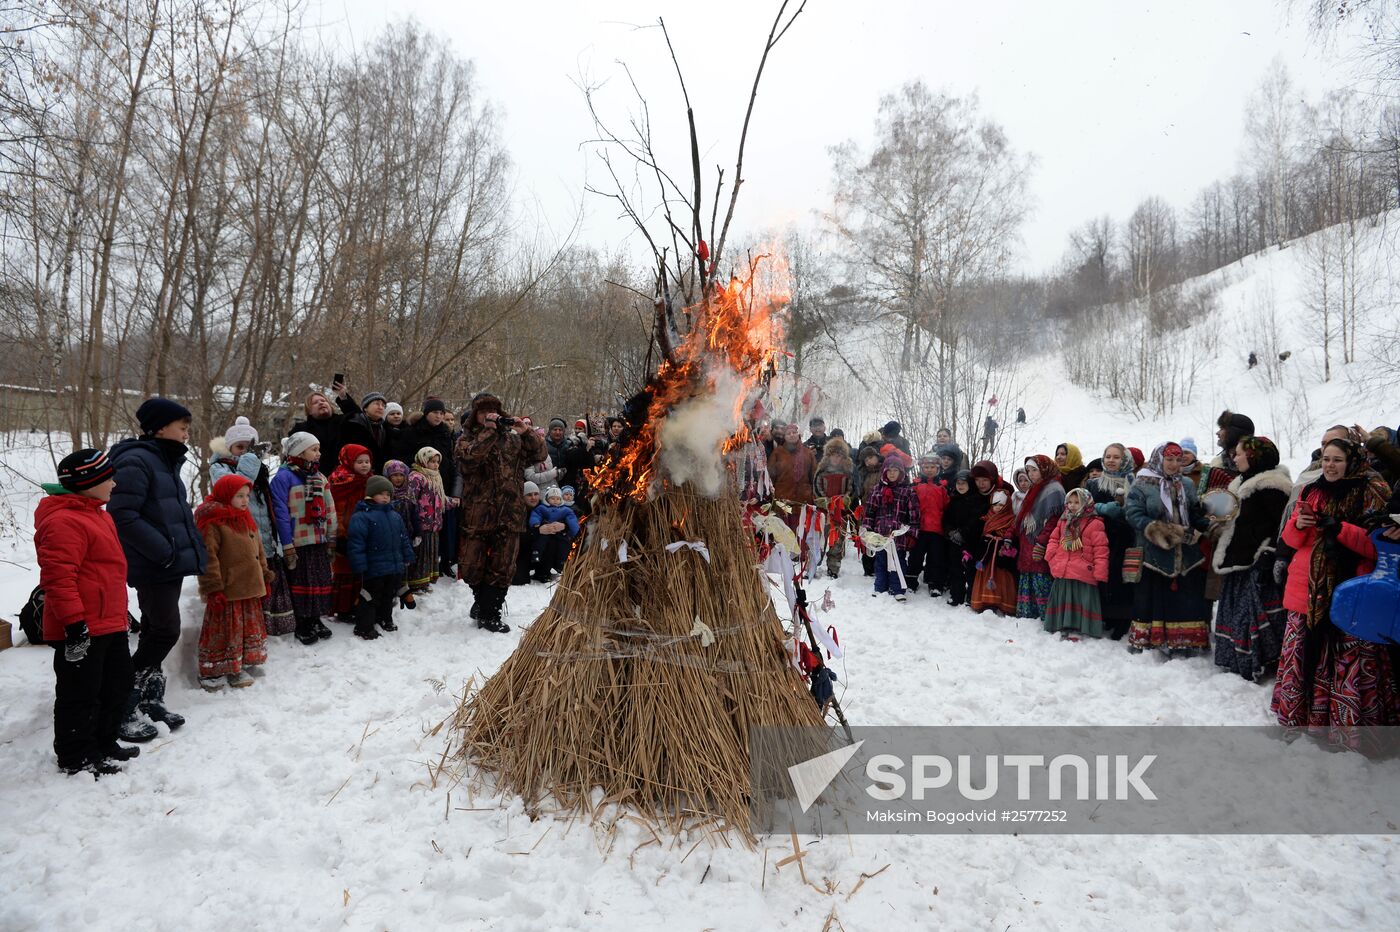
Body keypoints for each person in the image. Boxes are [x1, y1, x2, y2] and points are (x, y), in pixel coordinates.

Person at [1273, 437, 1396, 746]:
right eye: (1326, 459)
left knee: (1346, 661)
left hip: (1350, 593)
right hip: (1306, 591)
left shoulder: (1371, 491)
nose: (1330, 465)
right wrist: (1298, 526)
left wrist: (1340, 529)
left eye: (1337, 459)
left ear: (1352, 462)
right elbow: (1290, 541)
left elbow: (1377, 546)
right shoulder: (1311, 490)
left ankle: (1345, 730)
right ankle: (1304, 721)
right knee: (1304, 658)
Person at [108, 397, 207, 742]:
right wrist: (164, 552)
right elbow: (122, 515)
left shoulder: (163, 460)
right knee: (165, 631)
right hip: (154, 563)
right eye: (183, 427)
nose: (186, 434)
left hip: (166, 563)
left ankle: (149, 698)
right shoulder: (136, 460)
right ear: (161, 428)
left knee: (154, 629)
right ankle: (122, 702)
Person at [36, 449, 138, 776]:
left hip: (109, 620)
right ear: (87, 482)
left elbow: (105, 572)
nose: (114, 483)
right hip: (80, 626)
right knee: (80, 694)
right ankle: (76, 755)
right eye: (108, 478)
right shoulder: (63, 521)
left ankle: (103, 742)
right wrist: (74, 624)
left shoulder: (98, 514)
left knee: (117, 685)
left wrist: (121, 613)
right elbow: (58, 578)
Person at [455, 392, 546, 632]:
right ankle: (481, 600)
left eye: (493, 411)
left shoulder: (512, 439)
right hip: (478, 513)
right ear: (475, 415)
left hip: (510, 512)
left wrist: (525, 432)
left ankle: (490, 612)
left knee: (503, 565)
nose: (489, 415)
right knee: (472, 565)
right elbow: (468, 461)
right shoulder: (466, 439)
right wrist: (489, 432)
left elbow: (540, 455)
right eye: (484, 411)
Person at [1211, 436, 1291, 681]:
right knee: (1237, 611)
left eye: (1239, 453)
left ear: (1253, 456)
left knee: (1253, 614)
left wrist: (1270, 553)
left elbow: (1281, 525)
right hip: (1239, 556)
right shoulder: (1240, 481)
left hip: (1257, 559)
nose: (1234, 458)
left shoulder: (1272, 486)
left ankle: (1258, 661)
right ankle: (1237, 659)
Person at [1124, 442, 1211, 656]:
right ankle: (1154, 642)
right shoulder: (1142, 484)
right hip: (1154, 553)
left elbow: (1194, 513)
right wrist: (1157, 529)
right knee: (1155, 597)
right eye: (1169, 459)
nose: (1174, 464)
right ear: (1158, 459)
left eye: (1178, 460)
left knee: (1184, 597)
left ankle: (1185, 641)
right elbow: (1133, 514)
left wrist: (1210, 524)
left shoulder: (1186, 484)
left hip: (1186, 554)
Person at [211, 417, 294, 637]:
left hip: (263, 535)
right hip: (238, 537)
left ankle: (269, 625)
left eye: (249, 448)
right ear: (229, 447)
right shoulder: (219, 467)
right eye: (240, 447)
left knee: (267, 580)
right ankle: (248, 628)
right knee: (247, 583)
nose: (244, 452)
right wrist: (251, 458)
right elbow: (236, 488)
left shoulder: (259, 468)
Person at [194, 475, 271, 690]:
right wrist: (213, 588)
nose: (245, 500)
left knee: (243, 631)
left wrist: (265, 574)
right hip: (228, 590)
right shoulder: (213, 521)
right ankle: (213, 670)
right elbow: (208, 557)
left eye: (247, 495)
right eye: (239, 496)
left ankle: (237, 666)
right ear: (226, 495)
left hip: (249, 585)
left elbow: (259, 550)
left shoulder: (245, 517)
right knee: (225, 631)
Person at [269, 433, 337, 646]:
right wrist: (287, 545)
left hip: (318, 539)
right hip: (297, 541)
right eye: (314, 449)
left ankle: (315, 618)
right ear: (299, 452)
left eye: (318, 449)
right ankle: (302, 622)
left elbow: (330, 508)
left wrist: (331, 537)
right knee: (301, 582)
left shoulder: (320, 477)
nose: (319, 453)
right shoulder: (283, 477)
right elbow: (280, 513)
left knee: (319, 581)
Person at [346, 475, 417, 640]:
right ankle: (364, 627)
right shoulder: (362, 516)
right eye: (381, 493)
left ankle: (385, 618)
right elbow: (356, 543)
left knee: (388, 595)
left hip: (393, 566)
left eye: (388, 494)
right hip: (374, 567)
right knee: (370, 596)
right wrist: (359, 564)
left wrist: (407, 555)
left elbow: (403, 538)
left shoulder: (395, 516)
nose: (385, 497)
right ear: (370, 495)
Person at [395, 399, 460, 580]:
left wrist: (452, 488)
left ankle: (442, 564)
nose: (439, 416)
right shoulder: (413, 431)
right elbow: (404, 456)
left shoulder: (445, 433)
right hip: (421, 483)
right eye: (435, 412)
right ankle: (417, 573)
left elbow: (450, 460)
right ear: (426, 413)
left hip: (441, 483)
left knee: (442, 531)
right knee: (421, 535)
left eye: (441, 413)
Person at [1085, 443, 1137, 639]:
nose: (1111, 460)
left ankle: (1122, 620)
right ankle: (1103, 615)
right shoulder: (1094, 484)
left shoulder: (1133, 482)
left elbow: (1139, 507)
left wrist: (1124, 511)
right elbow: (1084, 506)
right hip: (1100, 536)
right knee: (1101, 576)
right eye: (1108, 456)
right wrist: (1101, 508)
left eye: (1116, 457)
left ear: (1125, 460)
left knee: (1121, 578)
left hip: (1125, 538)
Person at [1043, 488, 1110, 639]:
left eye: (1077, 502)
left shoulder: (1095, 523)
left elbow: (1101, 549)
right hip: (1063, 567)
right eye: (1069, 502)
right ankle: (1062, 624)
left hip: (1083, 571)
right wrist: (1051, 555)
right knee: (1065, 597)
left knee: (1080, 600)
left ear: (1086, 503)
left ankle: (1080, 627)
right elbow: (1054, 539)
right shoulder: (1063, 520)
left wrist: (1100, 571)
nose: (1072, 505)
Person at [861, 454, 920, 602]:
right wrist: (867, 530)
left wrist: (912, 534)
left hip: (898, 536)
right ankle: (880, 587)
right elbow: (869, 512)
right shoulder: (877, 490)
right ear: (884, 472)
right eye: (889, 470)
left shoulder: (908, 491)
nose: (892, 473)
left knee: (898, 562)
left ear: (901, 472)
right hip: (880, 535)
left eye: (895, 470)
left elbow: (914, 515)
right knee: (880, 562)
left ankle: (897, 589)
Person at [1014, 455, 1066, 620]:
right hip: (1028, 540)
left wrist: (1042, 541)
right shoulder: (1035, 488)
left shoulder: (1054, 489)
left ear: (1045, 469)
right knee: (1028, 576)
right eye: (1028, 470)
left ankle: (1046, 614)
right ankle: (1027, 612)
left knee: (1040, 577)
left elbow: (1054, 520)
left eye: (1034, 470)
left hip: (1041, 541)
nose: (1031, 474)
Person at [327, 444, 373, 621]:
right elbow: (337, 511)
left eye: (367, 461)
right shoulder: (340, 482)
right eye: (359, 462)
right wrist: (341, 535)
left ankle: (359, 605)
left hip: (365, 533)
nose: (364, 465)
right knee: (346, 570)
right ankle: (343, 608)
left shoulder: (370, 481)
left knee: (361, 570)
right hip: (346, 534)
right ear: (348, 461)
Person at [288, 381, 362, 476]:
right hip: (313, 478)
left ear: (330, 406)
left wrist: (343, 396)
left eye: (323, 401)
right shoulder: (301, 430)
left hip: (344, 476)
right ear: (309, 411)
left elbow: (358, 418)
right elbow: (292, 455)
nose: (321, 403)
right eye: (315, 402)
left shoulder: (343, 422)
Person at [401, 448, 447, 590]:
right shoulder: (416, 477)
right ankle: (416, 583)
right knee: (420, 555)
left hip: (434, 523)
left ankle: (425, 581)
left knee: (429, 555)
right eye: (432, 461)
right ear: (423, 460)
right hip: (422, 523)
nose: (436, 465)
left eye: (437, 462)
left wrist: (453, 501)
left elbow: (440, 499)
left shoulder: (435, 476)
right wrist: (413, 521)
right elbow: (411, 500)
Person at [970, 490, 1018, 616]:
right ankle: (986, 602)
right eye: (995, 505)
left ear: (1007, 505)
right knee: (986, 575)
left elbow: (1013, 533)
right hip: (987, 552)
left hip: (1001, 553)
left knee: (1002, 576)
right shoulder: (986, 518)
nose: (998, 507)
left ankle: (1002, 603)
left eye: (1001, 505)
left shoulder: (1011, 519)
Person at [812, 436, 855, 579]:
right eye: (833, 455)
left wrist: (844, 500)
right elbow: (816, 488)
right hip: (824, 512)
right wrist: (825, 501)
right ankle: (813, 565)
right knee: (820, 539)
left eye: (839, 456)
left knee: (837, 542)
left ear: (843, 457)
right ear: (828, 456)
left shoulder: (847, 472)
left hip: (840, 512)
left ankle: (833, 567)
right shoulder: (821, 471)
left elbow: (851, 489)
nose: (836, 459)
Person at [943, 470, 988, 606]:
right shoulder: (953, 499)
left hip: (971, 541)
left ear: (970, 484)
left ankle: (971, 596)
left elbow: (976, 520)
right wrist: (950, 532)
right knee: (955, 568)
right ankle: (956, 595)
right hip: (954, 541)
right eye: (958, 483)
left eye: (964, 483)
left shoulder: (978, 500)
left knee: (970, 569)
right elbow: (946, 518)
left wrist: (963, 533)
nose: (960, 486)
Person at [908, 453, 950, 596]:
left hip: (937, 529)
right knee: (915, 557)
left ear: (938, 468)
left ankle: (935, 584)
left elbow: (946, 506)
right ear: (922, 468)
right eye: (926, 467)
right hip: (919, 529)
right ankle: (911, 582)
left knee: (936, 558)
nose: (929, 470)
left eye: (932, 467)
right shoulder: (916, 485)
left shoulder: (942, 487)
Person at [382, 460, 421, 609]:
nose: (398, 478)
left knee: (405, 562)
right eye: (394, 475)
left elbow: (415, 515)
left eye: (401, 475)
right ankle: (392, 589)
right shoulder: (385, 495)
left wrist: (418, 533)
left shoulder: (409, 494)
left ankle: (404, 588)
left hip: (407, 535)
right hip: (390, 537)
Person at [530, 486, 580, 581]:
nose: (555, 501)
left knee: (563, 543)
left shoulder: (565, 510)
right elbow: (536, 515)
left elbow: (571, 519)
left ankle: (560, 562)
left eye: (558, 499)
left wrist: (574, 530)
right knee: (541, 541)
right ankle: (536, 553)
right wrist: (535, 523)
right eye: (552, 498)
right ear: (547, 499)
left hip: (559, 533)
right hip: (545, 531)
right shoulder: (542, 508)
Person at [341, 392, 395, 471]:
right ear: (365, 408)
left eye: (383, 405)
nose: (380, 407)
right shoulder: (353, 424)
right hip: (355, 470)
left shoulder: (385, 428)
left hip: (377, 471)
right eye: (377, 404)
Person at [768, 423, 817, 508]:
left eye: (794, 432)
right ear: (784, 437)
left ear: (798, 435)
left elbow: (814, 476)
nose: (791, 435)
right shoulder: (777, 453)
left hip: (804, 500)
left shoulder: (808, 453)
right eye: (788, 433)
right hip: (782, 499)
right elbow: (770, 476)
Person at [854, 442, 885, 577]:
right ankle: (868, 568)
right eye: (866, 460)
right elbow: (859, 492)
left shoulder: (884, 470)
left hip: (882, 510)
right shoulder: (862, 473)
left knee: (880, 539)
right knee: (867, 538)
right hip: (866, 510)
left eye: (871, 457)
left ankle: (881, 567)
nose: (868, 461)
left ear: (877, 456)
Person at [1209, 410, 1255, 492]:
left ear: (1233, 432)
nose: (1217, 433)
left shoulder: (1257, 465)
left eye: (1222, 428)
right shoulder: (1216, 465)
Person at [513, 482, 543, 586]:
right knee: (519, 580)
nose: (533, 497)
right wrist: (538, 531)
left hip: (540, 549)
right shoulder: (517, 511)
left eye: (536, 494)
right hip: (522, 550)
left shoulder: (545, 508)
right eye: (529, 495)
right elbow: (519, 536)